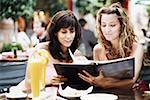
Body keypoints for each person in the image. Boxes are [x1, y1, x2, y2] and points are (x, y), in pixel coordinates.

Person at [78, 2, 144, 89]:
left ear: (122, 26)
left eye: (112, 25)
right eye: (104, 25)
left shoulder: (137, 48)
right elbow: (99, 79)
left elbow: (132, 81)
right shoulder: (97, 49)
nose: (107, 30)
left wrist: (105, 84)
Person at [24, 10, 84, 90]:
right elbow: (28, 83)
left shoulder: (76, 54)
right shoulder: (41, 50)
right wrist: (49, 81)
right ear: (55, 32)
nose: (68, 36)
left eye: (72, 31)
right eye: (64, 32)